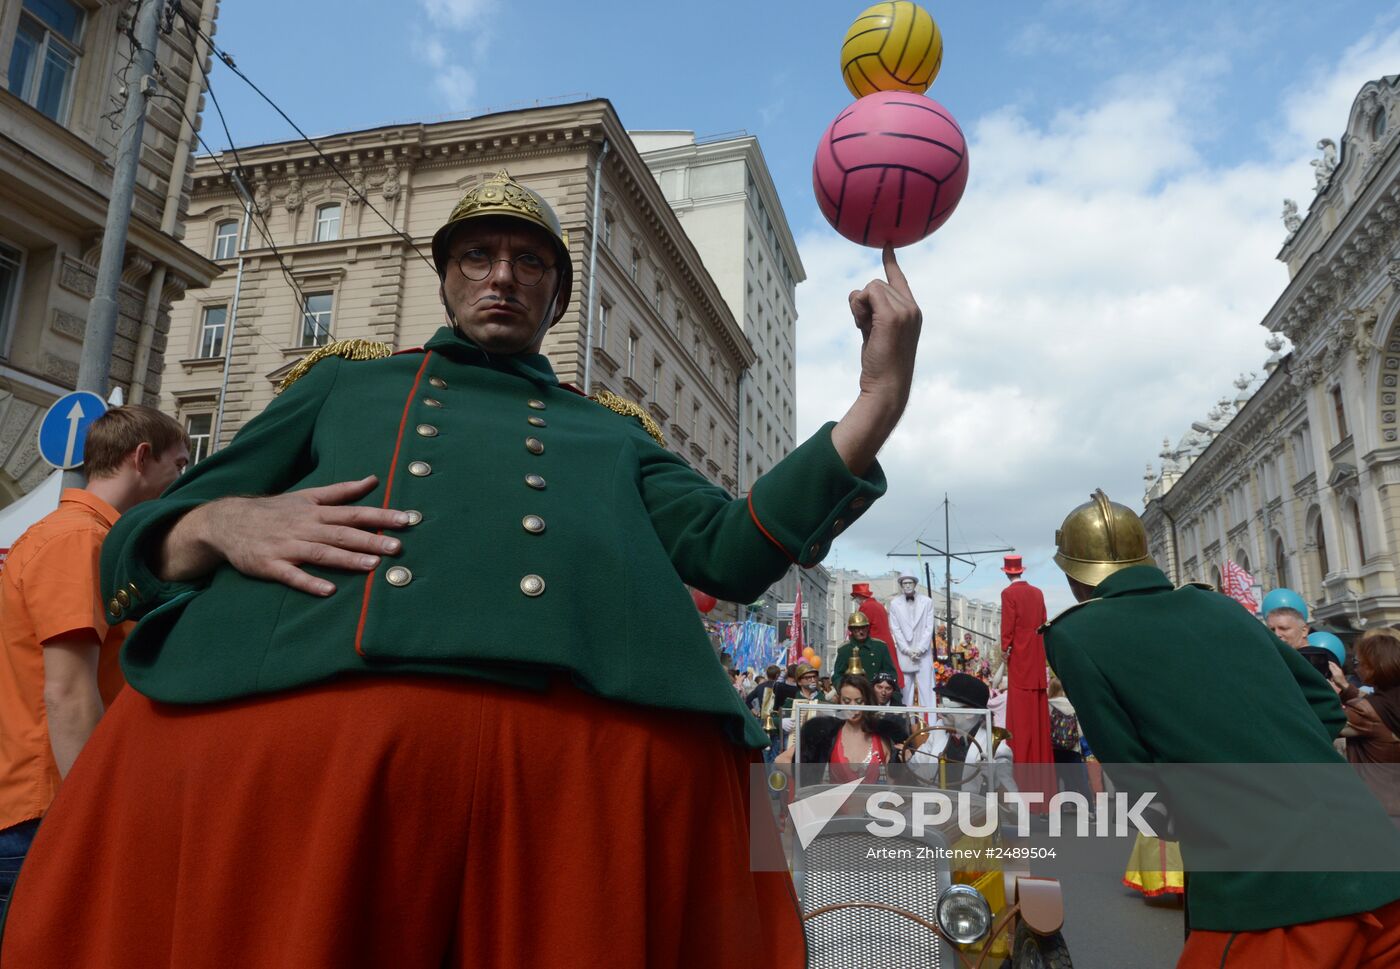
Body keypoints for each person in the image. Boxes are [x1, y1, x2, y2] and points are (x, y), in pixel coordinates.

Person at [2, 171, 923, 968]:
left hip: (565, 804)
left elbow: (733, 548)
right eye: (477, 256)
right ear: (445, 279)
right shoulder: (345, 383)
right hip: (329, 774)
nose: (502, 277)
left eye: (531, 263)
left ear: (558, 299)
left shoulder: (611, 430)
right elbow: (134, 549)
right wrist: (218, 519)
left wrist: (876, 400)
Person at [1043, 489, 1400, 968]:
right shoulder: (1221, 606)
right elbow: (1323, 704)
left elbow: (1132, 773)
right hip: (1377, 858)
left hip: (1270, 892)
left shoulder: (1074, 634)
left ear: (1075, 579)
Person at [0, 406, 188, 908]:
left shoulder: (77, 533)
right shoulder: (80, 538)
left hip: (39, 803)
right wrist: (96, 815)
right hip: (46, 809)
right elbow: (67, 692)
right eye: (178, 464)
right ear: (141, 457)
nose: (181, 478)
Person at [775, 674, 911, 785]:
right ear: (840, 701)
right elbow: (781, 760)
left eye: (859, 702)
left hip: (872, 808)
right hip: (833, 809)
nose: (853, 707)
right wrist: (813, 782)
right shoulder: (826, 734)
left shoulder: (882, 738)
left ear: (868, 702)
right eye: (846, 701)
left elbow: (893, 784)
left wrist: (905, 763)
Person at [996, 553, 1053, 811]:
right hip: (1036, 662)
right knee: (1039, 728)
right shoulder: (1038, 593)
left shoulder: (1008, 594)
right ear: (1021, 570)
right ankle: (1045, 794)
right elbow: (1043, 622)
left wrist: (1005, 649)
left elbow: (1008, 628)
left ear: (1007, 572)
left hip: (1020, 662)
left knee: (1019, 727)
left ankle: (1020, 792)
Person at [1331, 627, 1400, 826]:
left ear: (1374, 667)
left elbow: (1325, 723)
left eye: (1359, 662)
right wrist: (1346, 688)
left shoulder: (1368, 712)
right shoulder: (1390, 701)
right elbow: (1374, 705)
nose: (1356, 668)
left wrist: (1322, 694)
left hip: (1379, 808)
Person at [887, 572, 935, 705]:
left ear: (915, 584)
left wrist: (920, 649)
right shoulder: (895, 604)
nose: (907, 586)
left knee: (927, 688)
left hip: (923, 653)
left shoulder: (927, 602)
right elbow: (895, 629)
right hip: (905, 652)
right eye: (904, 583)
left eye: (910, 583)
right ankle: (906, 717)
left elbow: (929, 627)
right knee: (905, 689)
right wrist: (906, 650)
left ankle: (929, 717)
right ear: (901, 585)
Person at [851, 581, 903, 689]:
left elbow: (861, 629)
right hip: (887, 643)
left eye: (855, 598)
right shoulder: (879, 605)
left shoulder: (866, 607)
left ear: (859, 596)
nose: (856, 601)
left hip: (875, 646)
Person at [833, 611, 896, 688]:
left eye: (863, 627)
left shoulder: (880, 647)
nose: (861, 631)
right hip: (853, 691)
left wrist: (885, 687)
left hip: (876, 691)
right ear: (851, 630)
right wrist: (844, 689)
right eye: (857, 628)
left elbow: (890, 672)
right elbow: (837, 676)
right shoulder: (844, 650)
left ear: (868, 628)